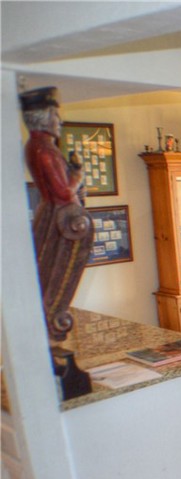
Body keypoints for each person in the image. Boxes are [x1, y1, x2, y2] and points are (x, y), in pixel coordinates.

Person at [20, 86, 94, 341]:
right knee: (54, 273)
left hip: (55, 216)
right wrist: (76, 176)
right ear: (44, 117)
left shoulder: (38, 146)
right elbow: (63, 194)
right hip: (60, 218)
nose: (59, 121)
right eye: (55, 115)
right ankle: (51, 320)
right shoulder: (44, 149)